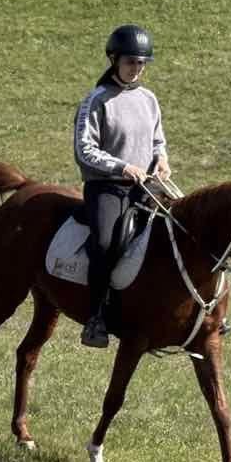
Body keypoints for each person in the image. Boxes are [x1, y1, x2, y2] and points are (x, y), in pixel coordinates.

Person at [73, 23, 170, 348]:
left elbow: (157, 139)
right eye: (131, 62)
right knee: (104, 244)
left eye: (141, 63)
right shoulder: (96, 100)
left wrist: (162, 159)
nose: (136, 69)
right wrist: (122, 166)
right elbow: (84, 150)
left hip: (146, 186)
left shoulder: (149, 99)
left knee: (177, 231)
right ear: (113, 59)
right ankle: (96, 316)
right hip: (107, 188)